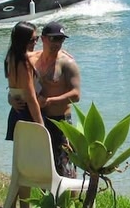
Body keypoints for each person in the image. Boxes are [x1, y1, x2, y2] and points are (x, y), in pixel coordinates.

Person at [9, 20, 81, 179]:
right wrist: (11, 98)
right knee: (41, 166)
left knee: (65, 167)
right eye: (54, 39)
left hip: (60, 120)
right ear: (42, 39)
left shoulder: (67, 63)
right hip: (38, 118)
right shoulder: (31, 58)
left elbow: (76, 95)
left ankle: (71, 195)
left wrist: (49, 101)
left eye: (61, 39)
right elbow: (17, 81)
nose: (57, 43)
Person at [3, 21, 44, 208]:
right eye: (32, 39)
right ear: (22, 41)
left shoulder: (11, 56)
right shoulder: (24, 62)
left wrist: (10, 98)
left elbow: (13, 87)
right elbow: (30, 96)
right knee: (27, 163)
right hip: (27, 112)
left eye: (37, 38)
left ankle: (13, 204)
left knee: (21, 161)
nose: (35, 42)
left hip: (16, 112)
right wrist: (40, 125)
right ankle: (25, 207)